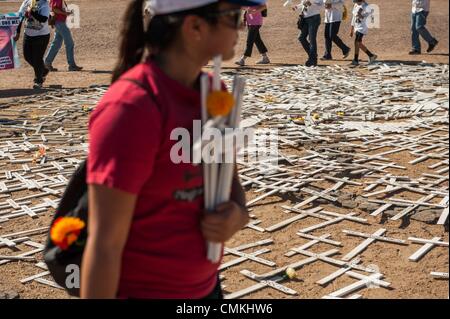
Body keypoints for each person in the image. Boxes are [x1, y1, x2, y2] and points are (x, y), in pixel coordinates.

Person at [81, 0, 263, 299]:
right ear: (195, 27)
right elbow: (105, 246)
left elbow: (229, 180)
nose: (243, 25)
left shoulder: (215, 93)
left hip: (206, 291)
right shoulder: (132, 107)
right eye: (232, 16)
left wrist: (237, 215)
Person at [14, 0, 50, 89]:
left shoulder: (44, 4)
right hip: (28, 35)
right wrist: (18, 32)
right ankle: (44, 70)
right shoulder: (26, 2)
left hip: (42, 35)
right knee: (27, 57)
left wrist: (32, 12)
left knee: (37, 58)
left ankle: (38, 81)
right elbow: (20, 17)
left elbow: (44, 19)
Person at [44, 0, 82, 71]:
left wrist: (66, 12)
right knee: (70, 43)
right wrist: (65, 13)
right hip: (60, 22)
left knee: (56, 44)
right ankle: (72, 65)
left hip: (58, 22)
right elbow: (54, 8)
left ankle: (47, 63)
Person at [294, 0, 324, 67]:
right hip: (306, 18)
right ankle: (313, 56)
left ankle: (312, 59)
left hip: (314, 18)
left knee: (312, 39)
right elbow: (303, 4)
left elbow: (321, 6)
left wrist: (311, 4)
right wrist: (297, 7)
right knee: (301, 37)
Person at [349, 0, 376, 66]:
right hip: (356, 26)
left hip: (362, 27)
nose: (356, 3)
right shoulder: (356, 5)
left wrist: (361, 15)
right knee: (358, 43)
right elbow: (354, 17)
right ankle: (371, 55)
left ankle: (355, 60)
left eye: (357, 1)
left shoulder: (366, 6)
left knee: (357, 42)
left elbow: (371, 18)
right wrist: (351, 29)